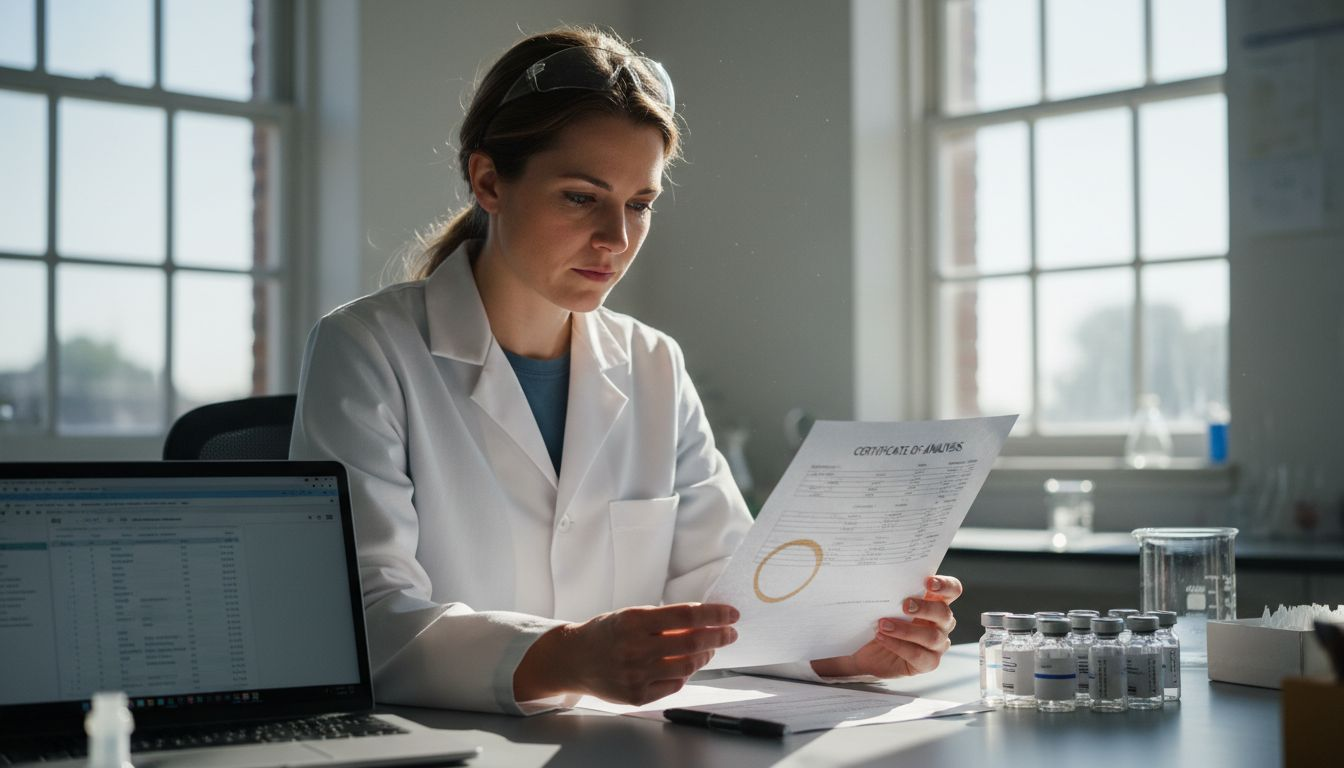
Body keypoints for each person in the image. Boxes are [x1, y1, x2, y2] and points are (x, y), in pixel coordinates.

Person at [290, 25, 962, 715]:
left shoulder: (652, 364)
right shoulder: (368, 347)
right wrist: (561, 657)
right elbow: (362, 616)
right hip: (444, 747)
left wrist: (843, 649)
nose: (616, 239)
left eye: (639, 204)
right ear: (488, 181)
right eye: (581, 197)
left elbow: (725, 596)